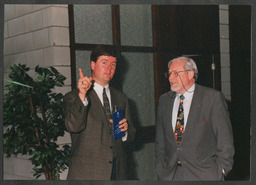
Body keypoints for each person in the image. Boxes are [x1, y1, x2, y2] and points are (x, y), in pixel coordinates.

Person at [155, 56, 234, 181]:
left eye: (176, 73)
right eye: (169, 73)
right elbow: (160, 141)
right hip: (171, 175)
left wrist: (221, 170)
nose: (170, 78)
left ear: (190, 74)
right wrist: (160, 167)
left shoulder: (212, 98)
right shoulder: (164, 100)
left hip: (204, 175)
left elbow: (225, 141)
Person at [64, 45, 136, 180]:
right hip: (87, 174)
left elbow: (131, 134)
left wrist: (125, 132)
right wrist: (82, 95)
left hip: (117, 172)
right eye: (104, 62)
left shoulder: (121, 98)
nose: (109, 68)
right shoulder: (74, 97)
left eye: (113, 64)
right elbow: (73, 126)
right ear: (92, 65)